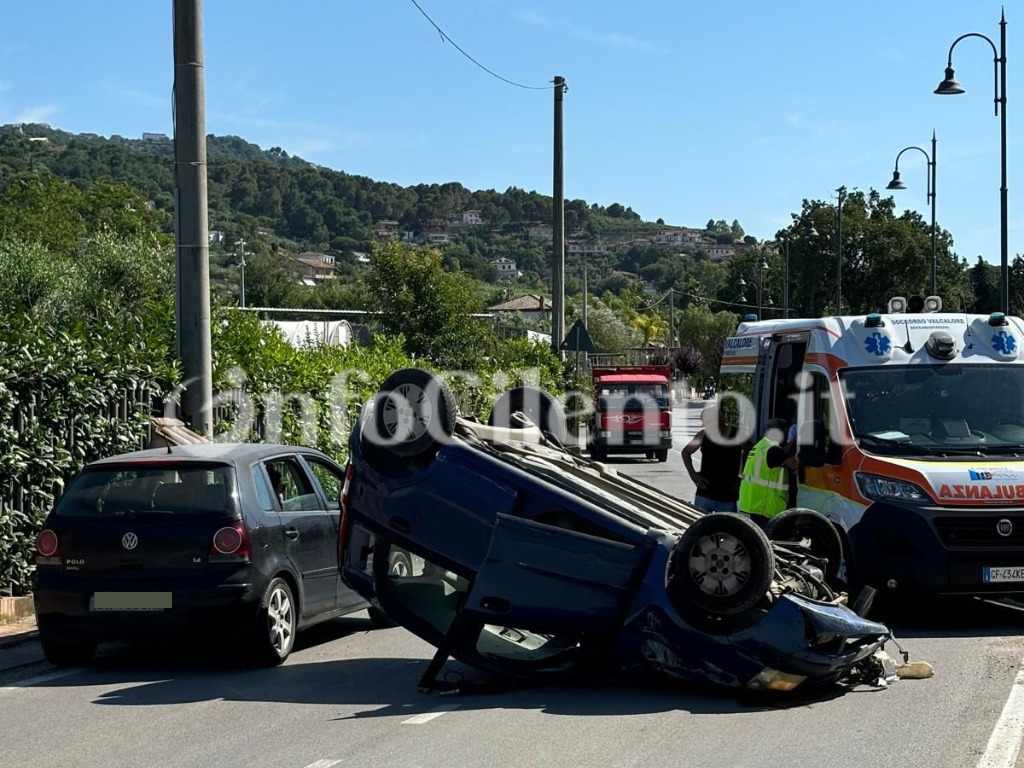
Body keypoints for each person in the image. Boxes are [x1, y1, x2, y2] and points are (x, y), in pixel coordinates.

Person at [681, 404, 742, 513]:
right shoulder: (703, 435)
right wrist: (693, 475)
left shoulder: (737, 434)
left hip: (728, 496)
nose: (705, 425)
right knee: (701, 527)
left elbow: (751, 451)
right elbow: (685, 453)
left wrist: (741, 476)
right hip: (705, 494)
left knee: (726, 529)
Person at [737, 418, 795, 525]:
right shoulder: (772, 449)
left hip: (751, 505)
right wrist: (794, 440)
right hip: (765, 508)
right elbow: (793, 464)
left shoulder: (759, 446)